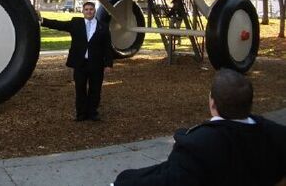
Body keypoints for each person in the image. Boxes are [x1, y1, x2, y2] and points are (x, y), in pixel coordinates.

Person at [112, 68, 286, 186]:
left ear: (212, 102)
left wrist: (122, 180)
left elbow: (168, 180)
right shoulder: (277, 137)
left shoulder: (197, 148)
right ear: (249, 103)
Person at [39, 1, 113, 121]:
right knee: (80, 89)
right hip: (80, 63)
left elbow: (107, 47)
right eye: (86, 9)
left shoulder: (103, 26)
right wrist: (43, 21)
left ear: (94, 11)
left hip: (96, 64)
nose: (89, 11)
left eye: (91, 9)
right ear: (82, 11)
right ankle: (81, 114)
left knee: (95, 89)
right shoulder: (76, 23)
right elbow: (59, 25)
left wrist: (109, 64)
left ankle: (93, 113)